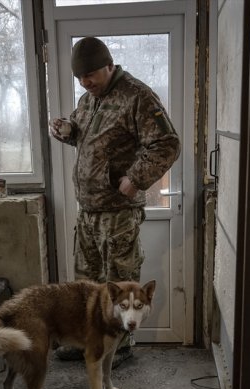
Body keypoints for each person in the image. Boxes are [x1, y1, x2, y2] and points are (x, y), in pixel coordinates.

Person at [49, 37, 181, 361]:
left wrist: (135, 180)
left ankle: (118, 348)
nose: (86, 82)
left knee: (121, 286)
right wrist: (68, 131)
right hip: (89, 211)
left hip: (118, 214)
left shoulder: (137, 96)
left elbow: (167, 143)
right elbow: (87, 138)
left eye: (91, 74)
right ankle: (89, 342)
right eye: (80, 77)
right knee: (87, 285)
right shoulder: (88, 98)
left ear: (109, 65)